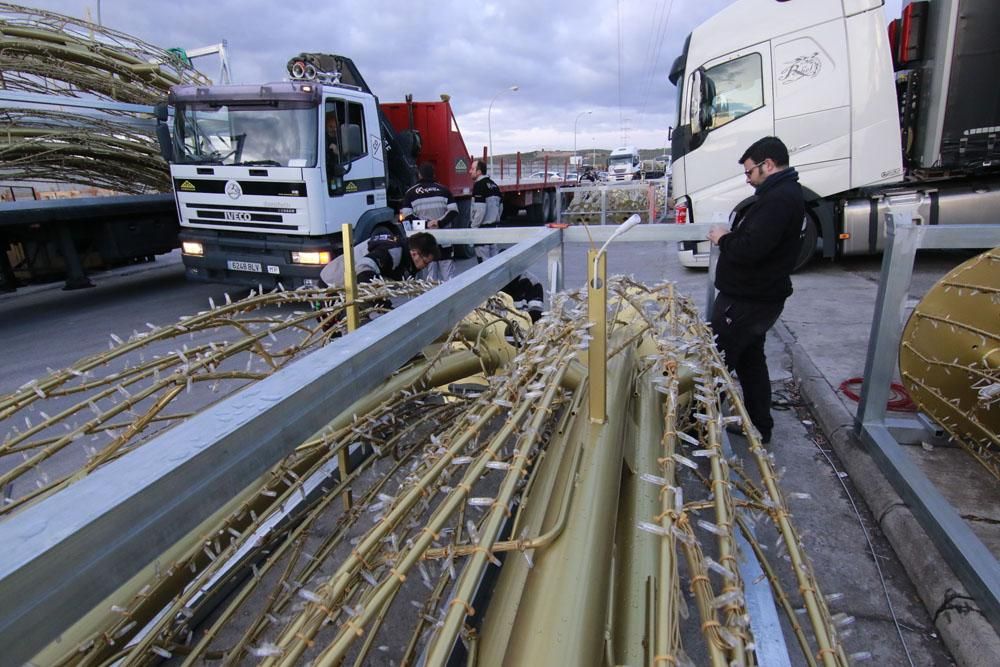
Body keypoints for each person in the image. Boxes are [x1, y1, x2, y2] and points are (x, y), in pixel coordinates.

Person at [706, 136, 805, 445]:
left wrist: (723, 238)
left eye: (750, 172)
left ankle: (694, 427)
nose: (748, 179)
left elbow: (751, 249)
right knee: (751, 363)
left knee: (716, 364)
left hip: (747, 302)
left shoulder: (778, 200)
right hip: (759, 299)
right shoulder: (782, 195)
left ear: (768, 165)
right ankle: (760, 426)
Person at [320, 227, 440, 287]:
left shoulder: (406, 257)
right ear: (414, 253)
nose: (425, 267)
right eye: (425, 262)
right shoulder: (393, 251)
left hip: (345, 286)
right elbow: (363, 269)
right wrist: (378, 299)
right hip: (331, 286)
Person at [400, 163, 459, 281]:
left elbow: (406, 217)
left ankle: (433, 299)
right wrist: (439, 223)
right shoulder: (444, 190)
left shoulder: (410, 193)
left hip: (424, 242)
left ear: (419, 175)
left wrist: (426, 224)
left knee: (430, 277)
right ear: (433, 175)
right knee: (448, 276)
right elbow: (454, 211)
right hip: (445, 240)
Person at [469, 158, 503, 263]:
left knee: (483, 265)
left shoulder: (479, 186)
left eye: (472, 169)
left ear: (479, 172)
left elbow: (480, 210)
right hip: (493, 230)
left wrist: (473, 228)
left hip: (482, 231)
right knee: (494, 263)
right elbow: (500, 207)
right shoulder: (494, 185)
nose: (470, 171)